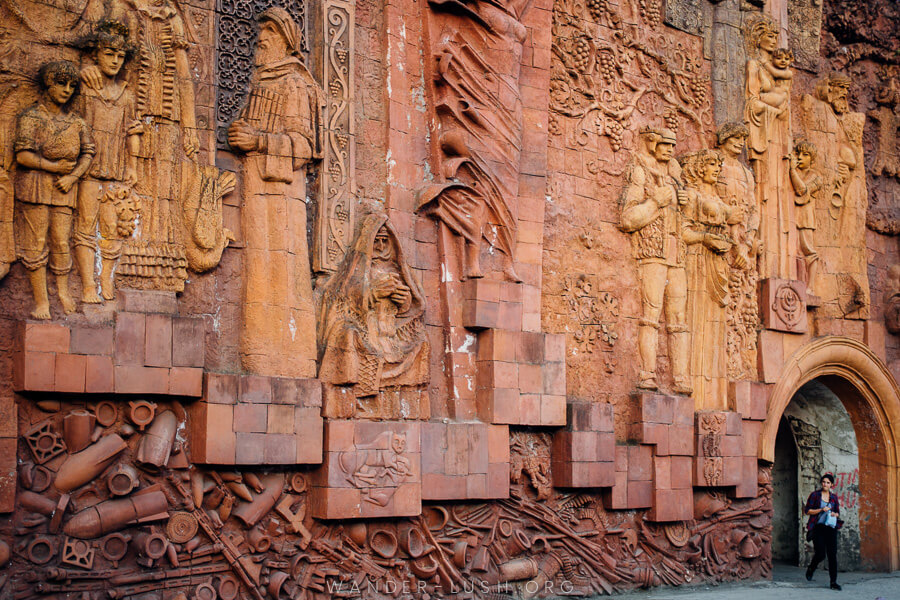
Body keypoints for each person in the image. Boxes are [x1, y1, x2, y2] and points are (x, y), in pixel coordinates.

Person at [14, 60, 95, 319]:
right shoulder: (32, 117)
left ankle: (62, 292)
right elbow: (23, 156)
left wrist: (72, 177)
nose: (67, 89)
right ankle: (41, 301)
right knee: (36, 241)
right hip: (36, 186)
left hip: (64, 189)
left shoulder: (78, 122)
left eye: (72, 85)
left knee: (61, 241)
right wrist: (54, 167)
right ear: (49, 84)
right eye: (61, 83)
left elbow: (88, 153)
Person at [804, 472, 843, 590]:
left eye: (828, 483)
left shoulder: (834, 497)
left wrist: (835, 514)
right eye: (823, 482)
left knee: (832, 555)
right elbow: (807, 511)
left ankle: (833, 582)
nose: (825, 484)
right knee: (820, 553)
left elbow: (837, 512)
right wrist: (821, 509)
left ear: (831, 485)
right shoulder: (815, 495)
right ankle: (811, 568)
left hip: (831, 528)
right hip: (818, 527)